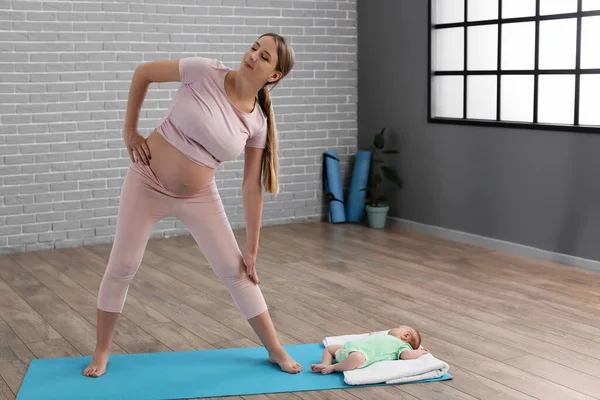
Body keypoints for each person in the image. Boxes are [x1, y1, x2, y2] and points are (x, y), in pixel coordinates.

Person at [83, 33, 301, 378]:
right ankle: (102, 349)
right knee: (123, 265)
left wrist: (253, 246)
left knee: (240, 273)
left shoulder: (257, 122)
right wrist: (129, 130)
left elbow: (250, 187)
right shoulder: (204, 71)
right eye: (254, 48)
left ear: (274, 75)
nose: (253, 56)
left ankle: (275, 349)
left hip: (199, 196)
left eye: (265, 57)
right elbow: (143, 73)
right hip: (147, 181)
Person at [310, 326, 428, 374]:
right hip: (349, 347)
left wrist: (420, 352)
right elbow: (373, 337)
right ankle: (325, 364)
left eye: (397, 327)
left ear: (406, 336)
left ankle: (333, 367)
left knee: (356, 358)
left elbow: (406, 355)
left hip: (362, 355)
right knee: (329, 349)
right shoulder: (385, 336)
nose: (393, 328)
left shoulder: (402, 346)